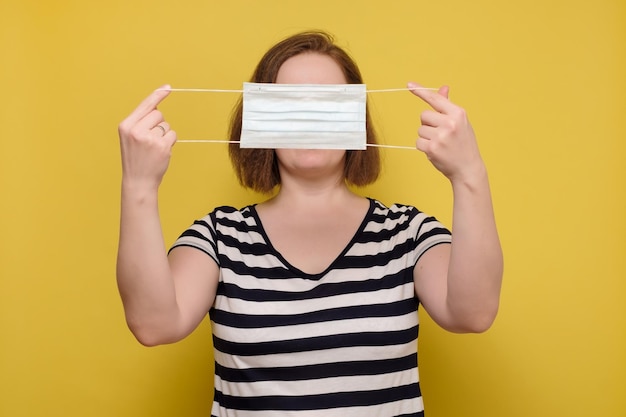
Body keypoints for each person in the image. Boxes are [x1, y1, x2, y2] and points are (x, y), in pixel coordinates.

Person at [116, 31, 503, 417]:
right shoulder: (220, 237)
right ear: (260, 119)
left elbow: (472, 313)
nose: (309, 117)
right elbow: (154, 326)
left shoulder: (406, 233)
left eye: (328, 102)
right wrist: (139, 186)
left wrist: (469, 173)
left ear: (356, 118)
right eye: (288, 103)